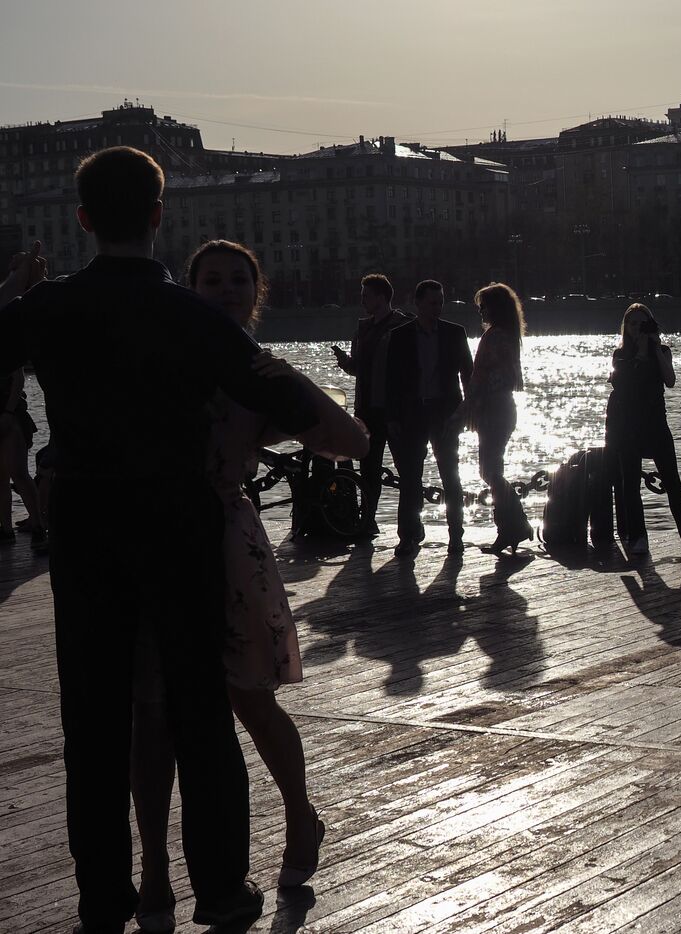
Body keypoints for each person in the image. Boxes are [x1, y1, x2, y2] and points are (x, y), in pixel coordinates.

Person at [0, 147, 363, 934]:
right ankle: (222, 891)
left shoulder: (48, 309)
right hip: (180, 526)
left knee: (95, 722)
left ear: (83, 219)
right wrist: (346, 433)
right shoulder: (195, 318)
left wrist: (13, 299)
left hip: (89, 530)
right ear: (160, 216)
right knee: (201, 714)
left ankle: (105, 898)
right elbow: (319, 422)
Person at [128, 240, 365, 931]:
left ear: (257, 292)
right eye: (211, 279)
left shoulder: (255, 375)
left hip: (228, 544)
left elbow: (351, 440)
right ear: (188, 287)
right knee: (153, 717)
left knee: (249, 702)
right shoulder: (166, 362)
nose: (225, 289)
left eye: (239, 280)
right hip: (160, 541)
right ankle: (153, 871)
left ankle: (300, 816)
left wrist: (293, 378)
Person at [605, 303, 681, 557]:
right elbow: (620, 384)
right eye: (633, 324)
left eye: (643, 323)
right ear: (626, 327)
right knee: (630, 484)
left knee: (672, 480)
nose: (638, 328)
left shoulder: (662, 351)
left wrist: (655, 349)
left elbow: (670, 380)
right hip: (628, 426)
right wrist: (638, 353)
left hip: (656, 424)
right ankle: (639, 537)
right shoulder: (620, 355)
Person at [383, 279, 474, 557]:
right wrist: (392, 418)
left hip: (444, 413)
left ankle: (456, 536)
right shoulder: (400, 336)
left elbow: (467, 375)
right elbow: (391, 381)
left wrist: (466, 411)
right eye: (432, 302)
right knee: (410, 478)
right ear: (418, 302)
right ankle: (408, 536)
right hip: (413, 414)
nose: (437, 308)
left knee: (451, 475)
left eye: (441, 302)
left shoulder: (454, 333)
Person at [454, 282, 531, 554]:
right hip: (502, 409)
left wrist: (469, 405)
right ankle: (513, 526)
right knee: (491, 470)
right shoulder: (507, 335)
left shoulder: (495, 337)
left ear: (494, 308)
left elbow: (492, 378)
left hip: (495, 410)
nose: (481, 312)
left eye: (483, 307)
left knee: (490, 471)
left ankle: (514, 525)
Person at [332, 273, 410, 538]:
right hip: (367, 410)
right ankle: (368, 520)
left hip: (394, 411)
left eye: (366, 295)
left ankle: (408, 528)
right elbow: (360, 369)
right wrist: (345, 362)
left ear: (381, 297)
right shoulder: (363, 329)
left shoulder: (402, 326)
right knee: (369, 469)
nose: (362, 300)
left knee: (405, 468)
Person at [0, 365, 45, 549]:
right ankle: (6, 529)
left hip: (10, 414)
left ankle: (38, 526)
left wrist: (9, 412)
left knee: (18, 472)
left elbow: (18, 378)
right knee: (1, 477)